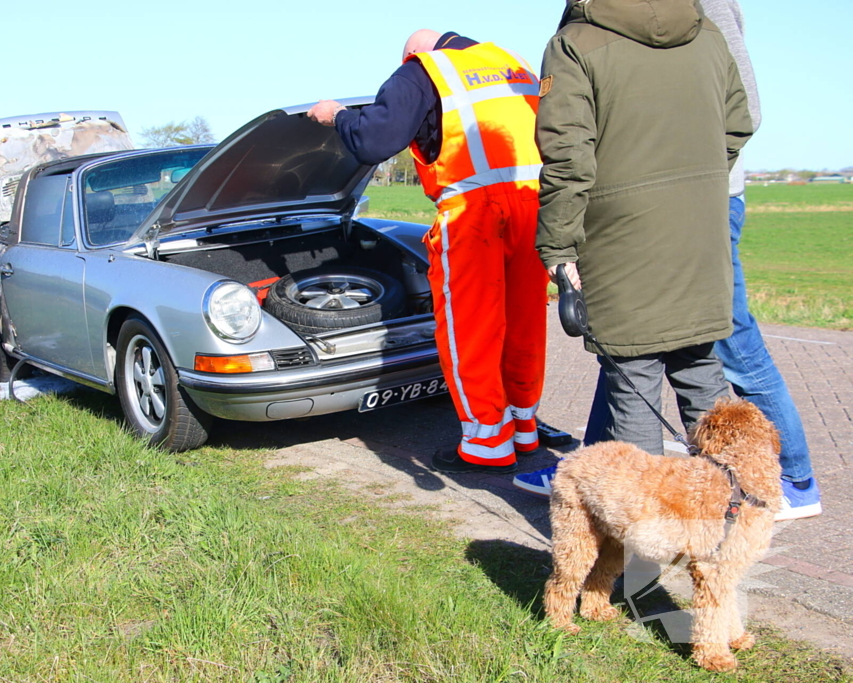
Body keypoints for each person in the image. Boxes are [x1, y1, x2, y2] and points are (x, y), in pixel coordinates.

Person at [568, 0, 821, 520]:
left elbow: (742, 106)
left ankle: (789, 476)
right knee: (631, 341)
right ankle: (593, 470)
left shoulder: (703, 9)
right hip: (665, 200)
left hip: (702, 200)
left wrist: (689, 173)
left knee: (729, 336)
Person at [513, 0, 754, 495]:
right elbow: (738, 124)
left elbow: (567, 158)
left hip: (619, 238)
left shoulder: (574, 44)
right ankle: (722, 535)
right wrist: (696, 186)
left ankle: (643, 564)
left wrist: (558, 248)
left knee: (635, 384)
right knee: (701, 369)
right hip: (698, 234)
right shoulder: (707, 33)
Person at [309, 29, 551, 473]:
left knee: (470, 327)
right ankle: (523, 427)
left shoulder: (423, 71)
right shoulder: (511, 62)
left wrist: (338, 114)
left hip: (475, 213)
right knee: (525, 320)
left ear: (414, 53)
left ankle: (487, 444)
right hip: (536, 205)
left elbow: (375, 141)